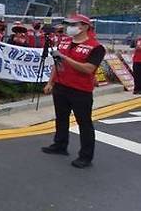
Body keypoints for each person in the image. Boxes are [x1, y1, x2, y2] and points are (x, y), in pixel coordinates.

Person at [42, 14, 105, 169]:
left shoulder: (96, 47)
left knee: (84, 123)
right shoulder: (64, 42)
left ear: (84, 26)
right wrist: (50, 82)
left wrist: (64, 58)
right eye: (68, 24)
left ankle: (85, 156)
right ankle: (60, 145)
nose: (68, 27)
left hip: (80, 91)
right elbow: (57, 65)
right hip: (61, 87)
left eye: (72, 24)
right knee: (61, 118)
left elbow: (88, 69)